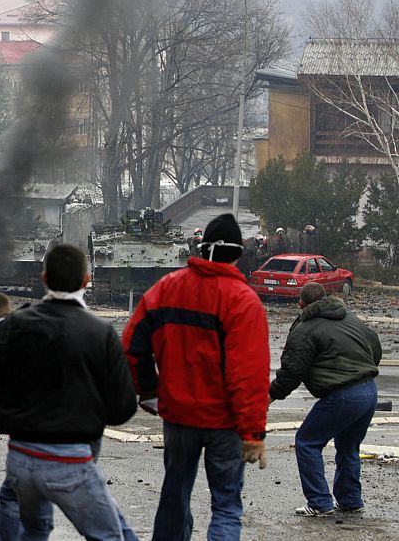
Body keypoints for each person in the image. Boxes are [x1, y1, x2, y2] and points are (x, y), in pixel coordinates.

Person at [123, 213, 270, 541]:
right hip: (225, 423)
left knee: (174, 497)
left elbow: (132, 343)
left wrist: (148, 391)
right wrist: (252, 432)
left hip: (177, 417)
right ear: (238, 254)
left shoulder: (167, 288)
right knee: (226, 505)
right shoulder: (243, 301)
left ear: (200, 249)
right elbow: (248, 374)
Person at [0, 244, 138, 540]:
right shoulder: (100, 332)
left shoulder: (14, 324)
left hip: (21, 459)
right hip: (71, 460)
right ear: (86, 281)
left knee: (36, 529)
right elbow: (122, 408)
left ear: (43, 278)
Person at [270, 282, 381, 516]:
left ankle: (320, 503)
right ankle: (350, 500)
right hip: (369, 390)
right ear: (327, 298)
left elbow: (292, 371)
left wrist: (271, 395)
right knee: (349, 446)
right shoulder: (351, 319)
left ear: (301, 304)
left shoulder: (305, 328)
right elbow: (376, 348)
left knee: (307, 441)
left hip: (343, 395)